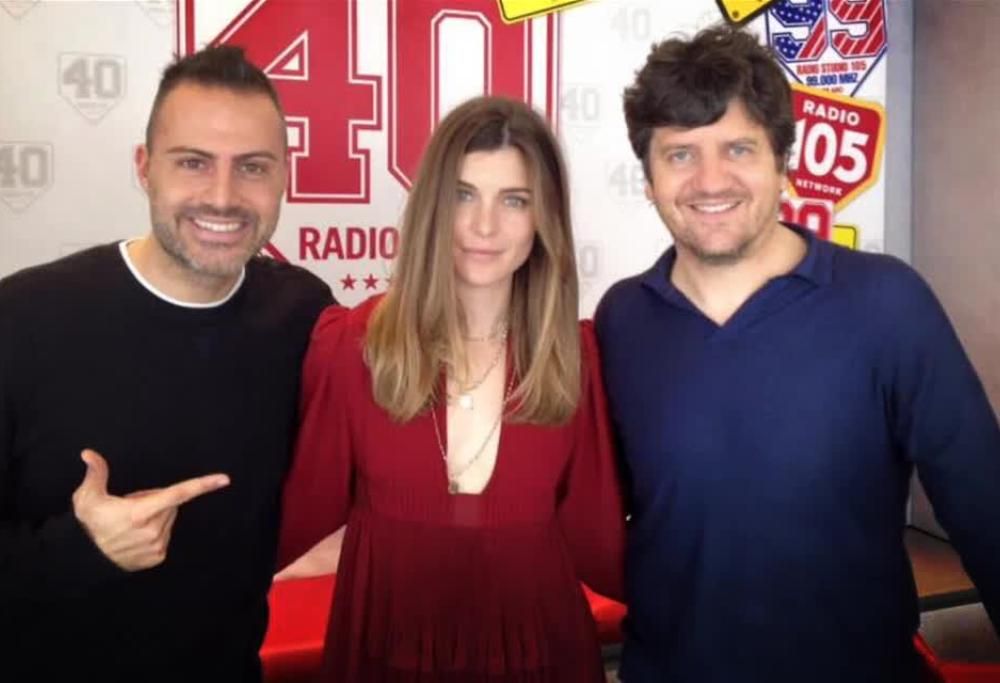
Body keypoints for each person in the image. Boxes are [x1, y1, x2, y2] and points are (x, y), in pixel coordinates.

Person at [595, 25, 1000, 683]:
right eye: (680, 154)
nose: (710, 180)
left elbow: (986, 509)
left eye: (738, 148)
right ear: (648, 177)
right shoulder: (620, 319)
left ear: (783, 160)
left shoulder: (886, 302)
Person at [0, 46, 332, 682]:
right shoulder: (21, 318)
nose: (223, 196)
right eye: (193, 162)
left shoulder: (302, 312)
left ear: (284, 177)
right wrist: (82, 548)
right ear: (144, 167)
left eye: (252, 167)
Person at [278, 95, 625, 682]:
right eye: (463, 195)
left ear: (543, 219)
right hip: (385, 648)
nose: (484, 226)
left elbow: (603, 545)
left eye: (514, 200)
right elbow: (290, 517)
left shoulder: (576, 357)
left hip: (539, 652)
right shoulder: (352, 346)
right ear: (432, 207)